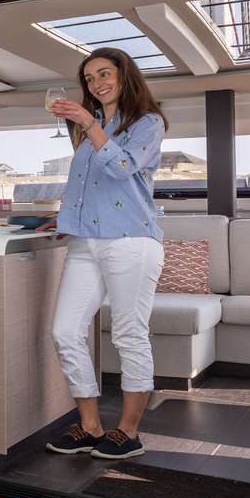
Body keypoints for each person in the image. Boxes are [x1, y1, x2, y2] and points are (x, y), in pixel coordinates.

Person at [43, 47, 167, 460]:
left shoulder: (148, 123)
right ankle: (91, 426)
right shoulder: (92, 126)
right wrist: (64, 219)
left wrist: (87, 124)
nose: (96, 83)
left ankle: (128, 432)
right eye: (89, 78)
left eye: (104, 74)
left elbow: (122, 168)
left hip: (130, 240)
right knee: (65, 331)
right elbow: (86, 187)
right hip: (85, 242)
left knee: (130, 334)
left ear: (124, 75)